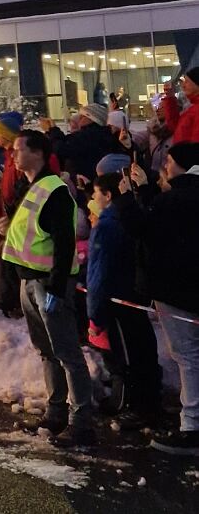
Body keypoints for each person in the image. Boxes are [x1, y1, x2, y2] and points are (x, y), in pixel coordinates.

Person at [2, 130, 96, 447]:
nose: (13, 155)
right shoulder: (34, 187)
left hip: (47, 284)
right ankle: (56, 414)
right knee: (47, 352)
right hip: (32, 281)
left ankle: (81, 422)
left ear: (38, 153)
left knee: (67, 352)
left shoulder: (53, 189)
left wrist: (56, 286)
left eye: (18, 149)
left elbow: (64, 242)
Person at [114, 141, 199, 455]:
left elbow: (144, 228)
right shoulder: (180, 198)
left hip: (175, 290)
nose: (165, 166)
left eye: (170, 161)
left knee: (187, 356)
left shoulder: (176, 200)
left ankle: (192, 427)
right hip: (187, 289)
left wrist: (125, 198)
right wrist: (147, 191)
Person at [86, 171, 162, 428]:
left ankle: (135, 406)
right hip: (135, 295)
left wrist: (94, 313)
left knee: (127, 355)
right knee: (143, 349)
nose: (93, 199)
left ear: (108, 195)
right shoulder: (132, 217)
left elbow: (99, 273)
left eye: (96, 194)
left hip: (117, 299)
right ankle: (149, 401)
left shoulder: (107, 225)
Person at [59, 102, 119, 187]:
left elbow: (61, 149)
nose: (79, 119)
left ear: (92, 119)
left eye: (83, 116)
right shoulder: (104, 135)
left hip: (85, 183)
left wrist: (52, 130)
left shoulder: (87, 137)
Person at [161, 69, 199, 146]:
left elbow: (196, 147)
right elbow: (175, 127)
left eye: (187, 82)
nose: (183, 85)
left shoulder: (195, 110)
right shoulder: (192, 108)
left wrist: (178, 156)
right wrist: (170, 98)